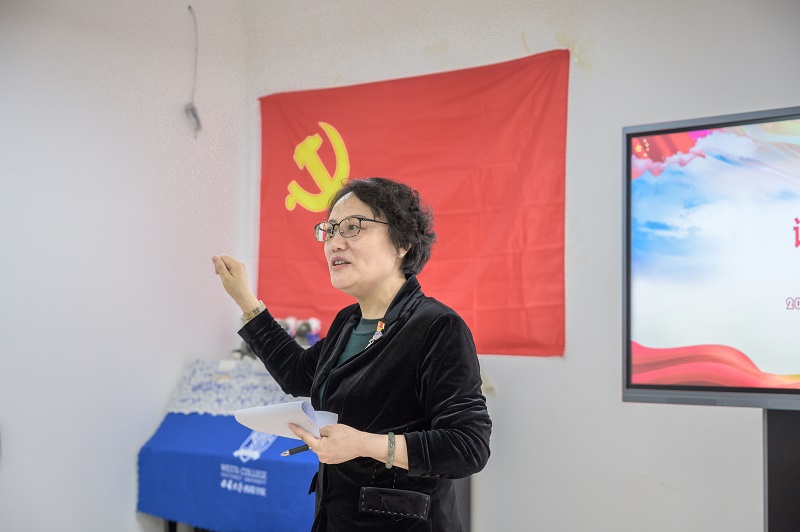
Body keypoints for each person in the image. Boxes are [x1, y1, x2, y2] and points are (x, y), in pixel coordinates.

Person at [212, 177, 491, 531]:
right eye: (329, 231)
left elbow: (468, 447)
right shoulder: (349, 322)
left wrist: (364, 444)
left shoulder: (437, 327)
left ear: (402, 243)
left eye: (352, 227)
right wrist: (245, 300)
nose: (335, 242)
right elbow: (297, 374)